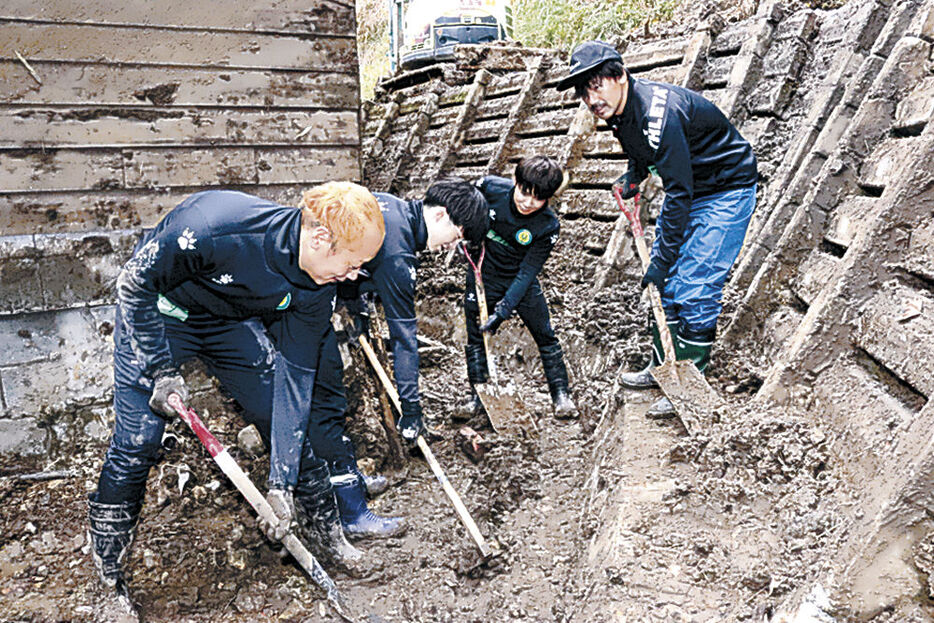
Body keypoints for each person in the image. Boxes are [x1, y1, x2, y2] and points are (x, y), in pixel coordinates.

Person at [88, 183, 385, 620]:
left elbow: (295, 381)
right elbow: (134, 285)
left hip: (227, 322)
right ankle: (108, 576)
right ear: (321, 239)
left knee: (281, 417)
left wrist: (281, 485)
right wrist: (160, 369)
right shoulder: (214, 227)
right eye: (353, 263)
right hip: (160, 314)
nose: (354, 275)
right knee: (138, 441)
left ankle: (329, 538)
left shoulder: (320, 287)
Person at [556, 40, 758, 418]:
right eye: (583, 91)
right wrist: (633, 177)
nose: (590, 98)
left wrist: (662, 260)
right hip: (690, 185)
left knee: (695, 283)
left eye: (595, 85)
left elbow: (678, 194)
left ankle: (690, 381)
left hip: (725, 189)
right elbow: (639, 149)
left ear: (620, 75)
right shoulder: (620, 110)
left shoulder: (656, 115)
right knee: (663, 286)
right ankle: (661, 366)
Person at [331, 178, 489, 535]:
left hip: (323, 283)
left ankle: (350, 481)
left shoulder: (393, 206)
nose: (451, 246)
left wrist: (354, 302)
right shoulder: (400, 253)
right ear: (440, 215)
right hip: (301, 296)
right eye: (456, 236)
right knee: (328, 400)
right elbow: (405, 339)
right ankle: (349, 512)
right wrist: (412, 408)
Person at [458, 156, 578, 419]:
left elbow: (527, 272)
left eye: (538, 199)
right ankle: (476, 396)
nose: (527, 203)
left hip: (518, 281)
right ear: (515, 181)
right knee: (476, 335)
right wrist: (464, 234)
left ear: (548, 199)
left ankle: (561, 396)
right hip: (482, 272)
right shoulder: (489, 188)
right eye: (524, 192)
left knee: (545, 334)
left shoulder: (547, 225)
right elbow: (461, 206)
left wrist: (502, 312)